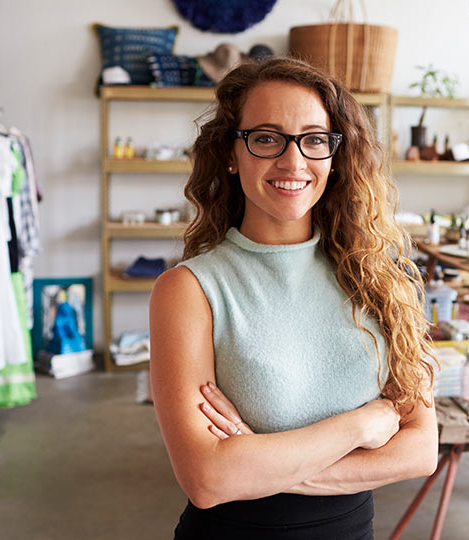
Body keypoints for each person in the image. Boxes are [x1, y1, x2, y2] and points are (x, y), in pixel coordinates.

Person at [149, 57, 437, 539]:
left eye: (314, 139)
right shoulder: (188, 291)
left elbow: (420, 450)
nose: (293, 161)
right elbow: (206, 479)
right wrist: (364, 424)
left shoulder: (381, 280)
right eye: (266, 138)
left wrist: (259, 462)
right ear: (230, 152)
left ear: (334, 154)